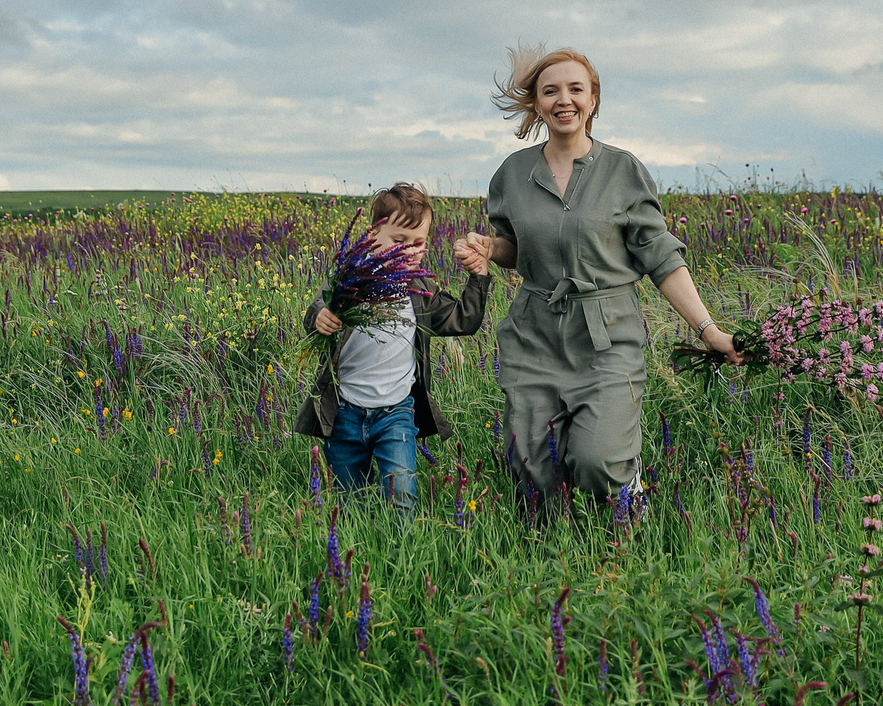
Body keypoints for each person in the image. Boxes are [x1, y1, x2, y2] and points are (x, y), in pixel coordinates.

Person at [450, 45, 735, 512]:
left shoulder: (622, 170)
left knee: (596, 461)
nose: (564, 100)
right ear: (537, 104)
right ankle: (556, 550)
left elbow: (661, 257)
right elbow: (514, 249)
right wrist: (488, 247)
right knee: (532, 468)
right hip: (534, 333)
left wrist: (709, 331)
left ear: (593, 100)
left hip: (607, 335)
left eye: (575, 89)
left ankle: (628, 499)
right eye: (551, 91)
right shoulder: (512, 173)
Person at [295, 182, 490, 517]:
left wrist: (478, 278)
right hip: (344, 412)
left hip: (396, 413)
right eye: (399, 242)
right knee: (350, 500)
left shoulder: (420, 289)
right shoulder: (349, 279)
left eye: (418, 244)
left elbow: (463, 319)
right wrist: (321, 317)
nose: (408, 252)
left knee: (402, 492)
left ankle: (403, 551)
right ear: (373, 235)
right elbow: (317, 308)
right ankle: (359, 551)